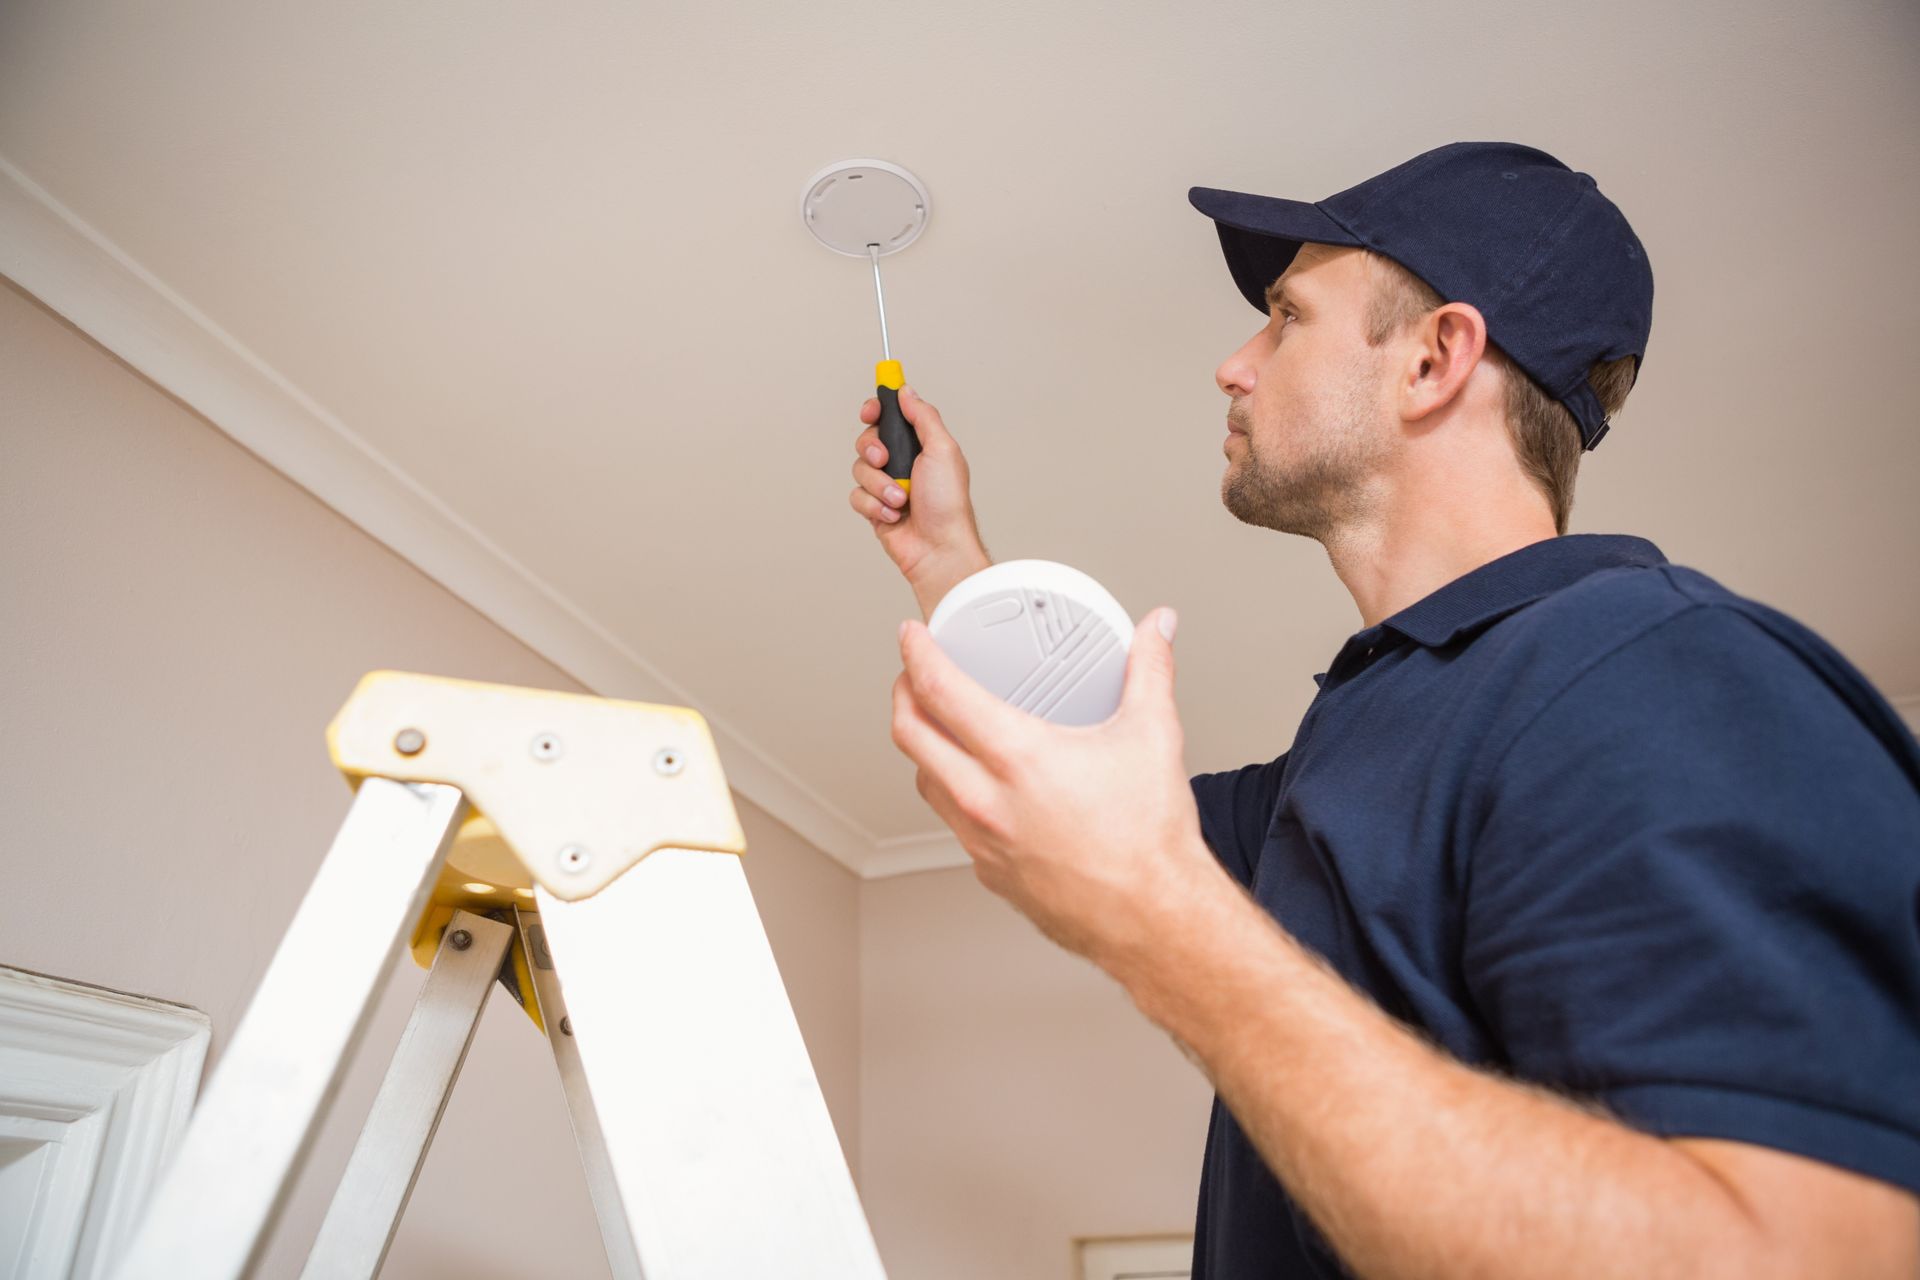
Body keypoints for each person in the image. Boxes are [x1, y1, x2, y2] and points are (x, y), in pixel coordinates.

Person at [845, 141, 1920, 1278]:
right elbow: (1063, 790)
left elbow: (1809, 1250)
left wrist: (1152, 914)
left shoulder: (1655, 670)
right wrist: (947, 561)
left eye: (1286, 316)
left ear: (1434, 358)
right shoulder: (1363, 744)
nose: (1233, 363)